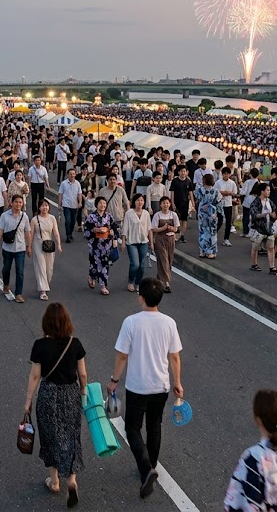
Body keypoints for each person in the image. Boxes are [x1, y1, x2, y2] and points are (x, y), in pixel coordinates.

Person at [107, 278, 183, 499]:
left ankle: (145, 467)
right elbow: (174, 357)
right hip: (160, 386)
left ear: (140, 297)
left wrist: (114, 380)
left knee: (132, 428)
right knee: (154, 426)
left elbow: (122, 355)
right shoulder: (169, 323)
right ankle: (152, 464)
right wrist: (177, 382)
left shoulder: (131, 322)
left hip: (137, 386)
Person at [23, 302, 87, 508]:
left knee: (50, 436)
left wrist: (28, 401)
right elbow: (83, 374)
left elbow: (35, 375)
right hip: (70, 393)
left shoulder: (40, 346)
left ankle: (55, 481)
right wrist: (84, 390)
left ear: (46, 323)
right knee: (71, 435)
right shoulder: (75, 344)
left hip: (49, 394)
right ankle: (72, 480)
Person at [0, 194, 32, 303]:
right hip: (7, 248)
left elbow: (28, 232)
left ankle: (18, 293)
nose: (18, 204)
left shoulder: (24, 216)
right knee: (6, 269)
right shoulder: (5, 216)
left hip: (20, 248)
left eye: (20, 202)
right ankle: (6, 284)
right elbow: (0, 231)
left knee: (20, 271)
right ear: (11, 203)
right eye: (16, 202)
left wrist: (29, 246)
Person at [84, 196, 120, 296]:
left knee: (105, 265)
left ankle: (103, 285)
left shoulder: (109, 216)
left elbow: (115, 228)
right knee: (95, 264)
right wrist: (94, 230)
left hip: (107, 245)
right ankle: (92, 276)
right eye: (100, 203)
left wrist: (113, 234)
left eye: (104, 203)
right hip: (95, 244)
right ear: (96, 204)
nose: (102, 205)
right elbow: (86, 231)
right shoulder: (91, 217)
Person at [32, 198, 63, 302]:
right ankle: (43, 290)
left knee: (49, 268)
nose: (44, 207)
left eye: (46, 205)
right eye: (42, 206)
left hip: (49, 244)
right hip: (38, 244)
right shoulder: (34, 219)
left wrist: (59, 244)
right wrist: (29, 247)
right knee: (41, 266)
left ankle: (46, 283)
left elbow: (56, 232)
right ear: (39, 207)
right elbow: (31, 234)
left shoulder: (52, 218)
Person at [122, 193, 152, 293]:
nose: (140, 202)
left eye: (142, 200)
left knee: (142, 265)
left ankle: (138, 283)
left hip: (143, 241)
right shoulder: (129, 213)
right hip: (131, 242)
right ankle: (131, 281)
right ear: (134, 202)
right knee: (135, 264)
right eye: (138, 200)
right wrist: (123, 241)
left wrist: (151, 242)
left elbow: (149, 229)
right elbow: (125, 228)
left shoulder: (146, 213)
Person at [151, 196, 179, 293]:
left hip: (171, 239)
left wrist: (172, 229)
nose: (165, 205)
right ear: (160, 205)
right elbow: (154, 229)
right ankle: (167, 283)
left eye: (167, 203)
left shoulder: (173, 215)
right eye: (163, 203)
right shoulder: (157, 215)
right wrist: (163, 228)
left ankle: (158, 280)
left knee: (169, 260)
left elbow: (176, 228)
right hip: (160, 239)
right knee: (163, 260)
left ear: (170, 204)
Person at [249, 182, 277, 274]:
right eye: (267, 190)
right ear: (262, 191)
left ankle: (272, 267)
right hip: (258, 228)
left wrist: (273, 215)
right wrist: (265, 214)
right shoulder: (256, 202)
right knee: (255, 247)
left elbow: (274, 209)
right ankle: (254, 264)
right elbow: (254, 215)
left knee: (271, 247)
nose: (269, 192)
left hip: (269, 227)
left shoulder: (269, 201)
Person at [194, 174, 220, 259]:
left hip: (202, 211)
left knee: (202, 231)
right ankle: (211, 251)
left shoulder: (200, 190)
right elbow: (218, 201)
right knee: (212, 231)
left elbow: (197, 197)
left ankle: (203, 250)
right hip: (212, 212)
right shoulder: (216, 191)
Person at [59, 168, 84, 243]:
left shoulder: (77, 183)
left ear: (75, 174)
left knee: (73, 221)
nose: (72, 175)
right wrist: (59, 204)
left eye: (73, 174)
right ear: (68, 175)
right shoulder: (63, 183)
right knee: (68, 220)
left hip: (75, 205)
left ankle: (70, 233)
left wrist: (80, 202)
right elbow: (60, 194)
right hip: (66, 205)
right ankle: (68, 236)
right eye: (70, 174)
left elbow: (79, 194)